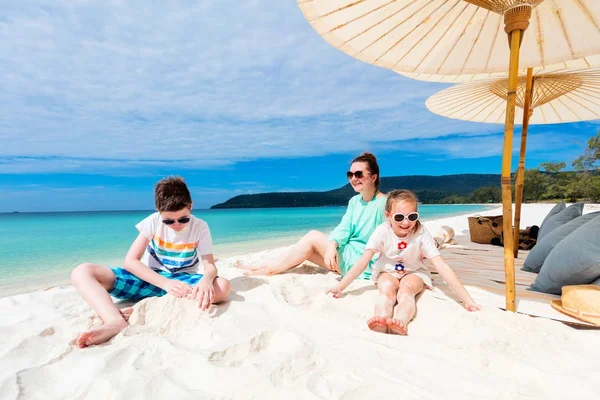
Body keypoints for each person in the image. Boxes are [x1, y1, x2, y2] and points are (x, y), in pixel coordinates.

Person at [71, 176, 231, 348]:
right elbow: (130, 262)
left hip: (181, 283)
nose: (176, 225)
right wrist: (165, 283)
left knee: (223, 286)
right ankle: (114, 321)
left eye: (183, 219)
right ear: (158, 211)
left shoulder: (200, 227)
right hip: (150, 278)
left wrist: (207, 280)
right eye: (169, 220)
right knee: (82, 271)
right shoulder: (153, 221)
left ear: (190, 206)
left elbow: (210, 265)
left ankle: (133, 307)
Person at [326, 189, 481, 335]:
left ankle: (400, 321)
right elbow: (362, 261)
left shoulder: (420, 232)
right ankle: (381, 319)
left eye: (412, 217)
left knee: (406, 291)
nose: (406, 223)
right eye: (399, 217)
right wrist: (340, 286)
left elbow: (441, 265)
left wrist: (467, 301)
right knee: (387, 289)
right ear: (388, 215)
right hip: (387, 271)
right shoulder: (382, 231)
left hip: (414, 272)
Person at [237, 152, 386, 278]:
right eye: (350, 174)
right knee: (305, 251)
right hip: (348, 254)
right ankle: (264, 266)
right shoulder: (355, 201)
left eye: (359, 174)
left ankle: (266, 270)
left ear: (373, 177)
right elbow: (344, 228)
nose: (353, 179)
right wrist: (332, 245)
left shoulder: (384, 203)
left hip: (362, 263)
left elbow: (392, 239)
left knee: (313, 236)